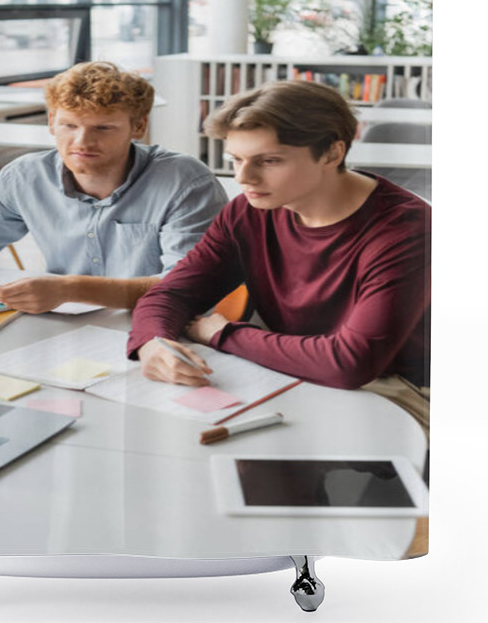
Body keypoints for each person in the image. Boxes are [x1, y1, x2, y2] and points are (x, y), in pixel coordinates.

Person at [128, 80, 431, 431]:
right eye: (236, 160)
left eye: (268, 161)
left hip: (397, 386)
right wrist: (153, 343)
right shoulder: (248, 211)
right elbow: (171, 293)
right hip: (299, 369)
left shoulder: (406, 230)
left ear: (332, 154)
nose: (243, 177)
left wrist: (222, 334)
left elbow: (351, 363)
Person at [0, 61, 228, 312]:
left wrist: (69, 288)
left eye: (103, 128)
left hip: (160, 323)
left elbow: (184, 286)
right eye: (69, 125)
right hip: (64, 323)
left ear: (138, 127)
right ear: (51, 122)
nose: (82, 141)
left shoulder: (186, 182)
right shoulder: (25, 176)